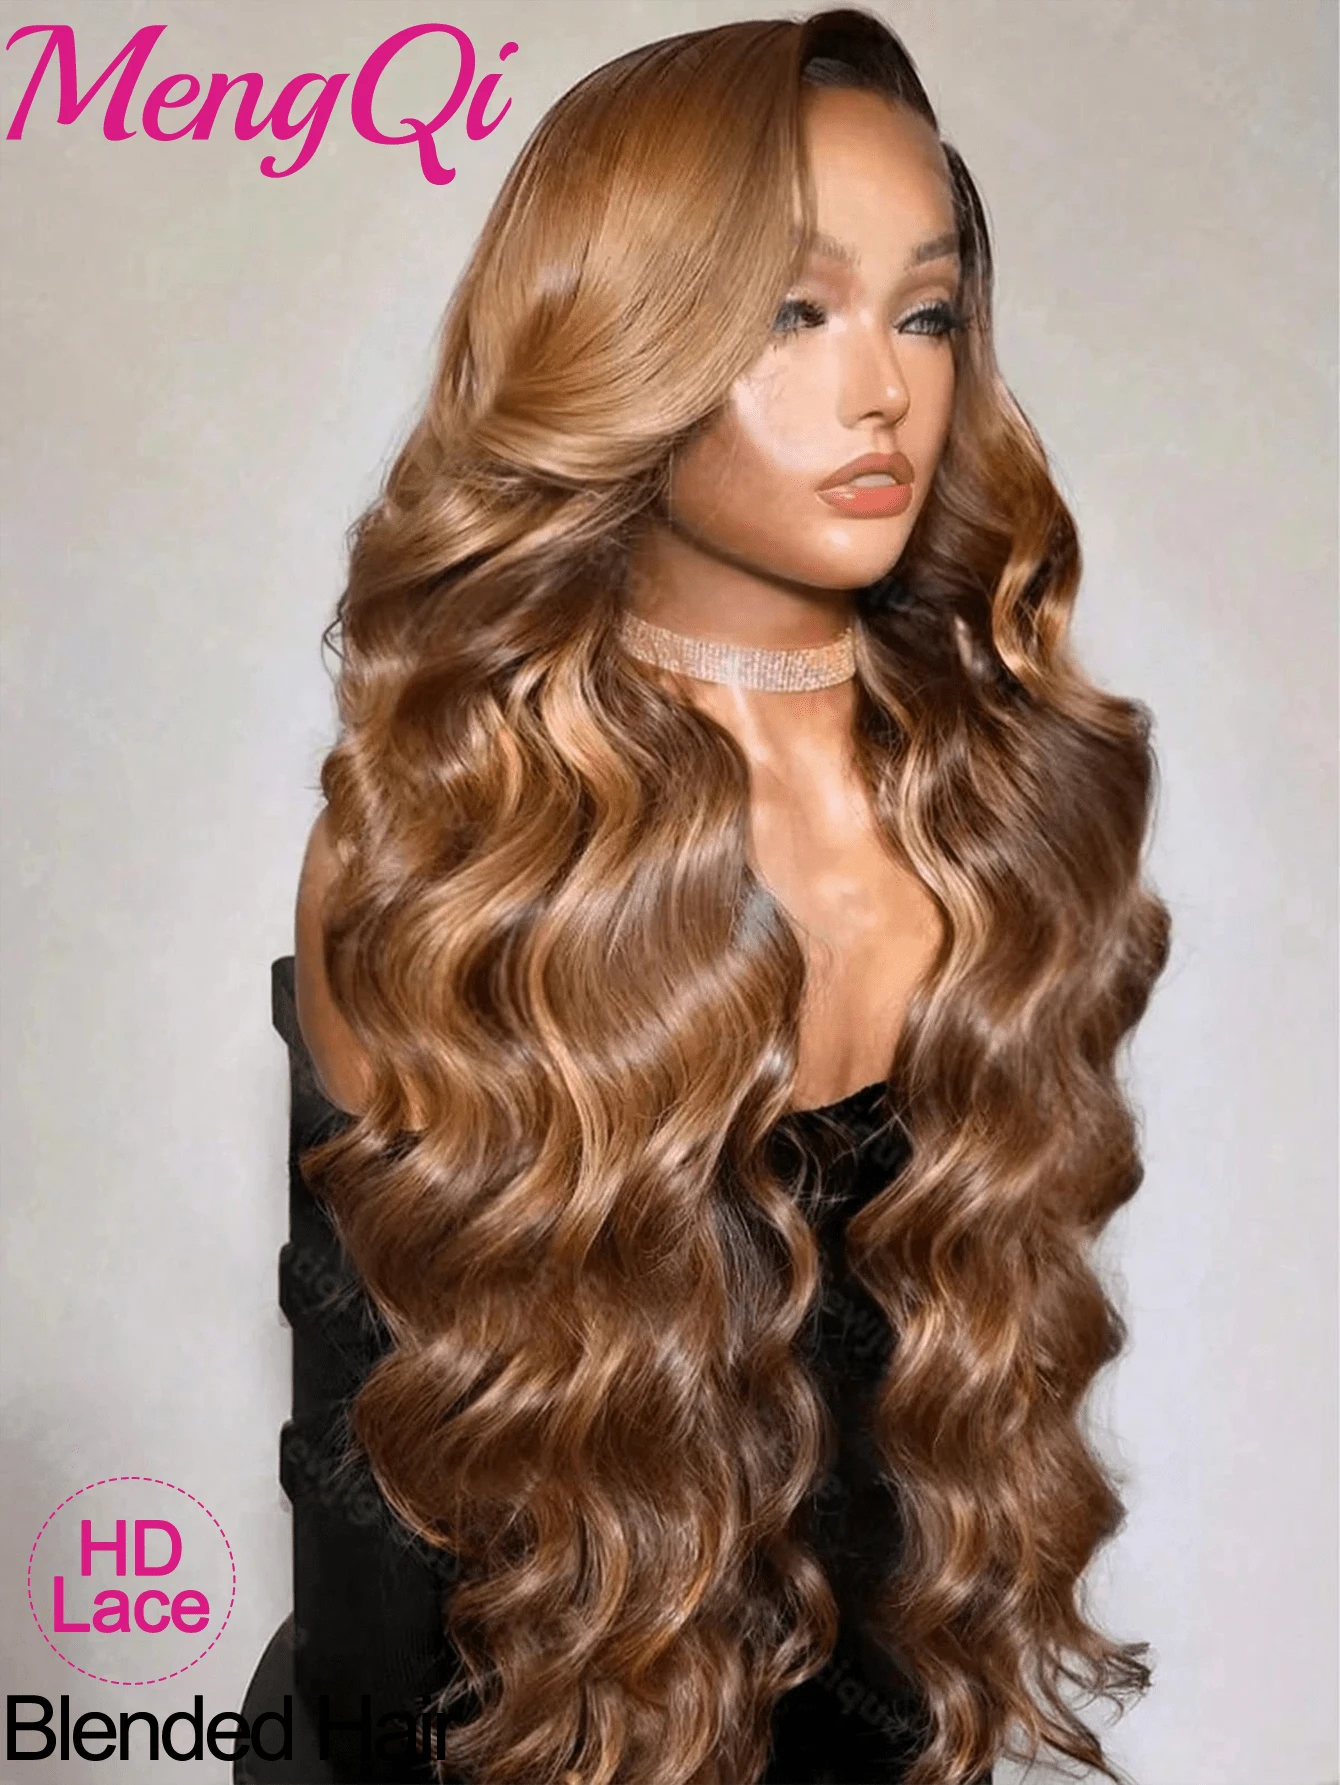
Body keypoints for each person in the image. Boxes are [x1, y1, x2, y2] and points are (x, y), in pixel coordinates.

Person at [284, 9, 1171, 1783]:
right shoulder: (454, 852)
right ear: (624, 336)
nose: (883, 390)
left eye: (927, 314)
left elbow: (960, 1447)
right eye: (793, 313)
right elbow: (378, 1552)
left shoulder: (1002, 814)